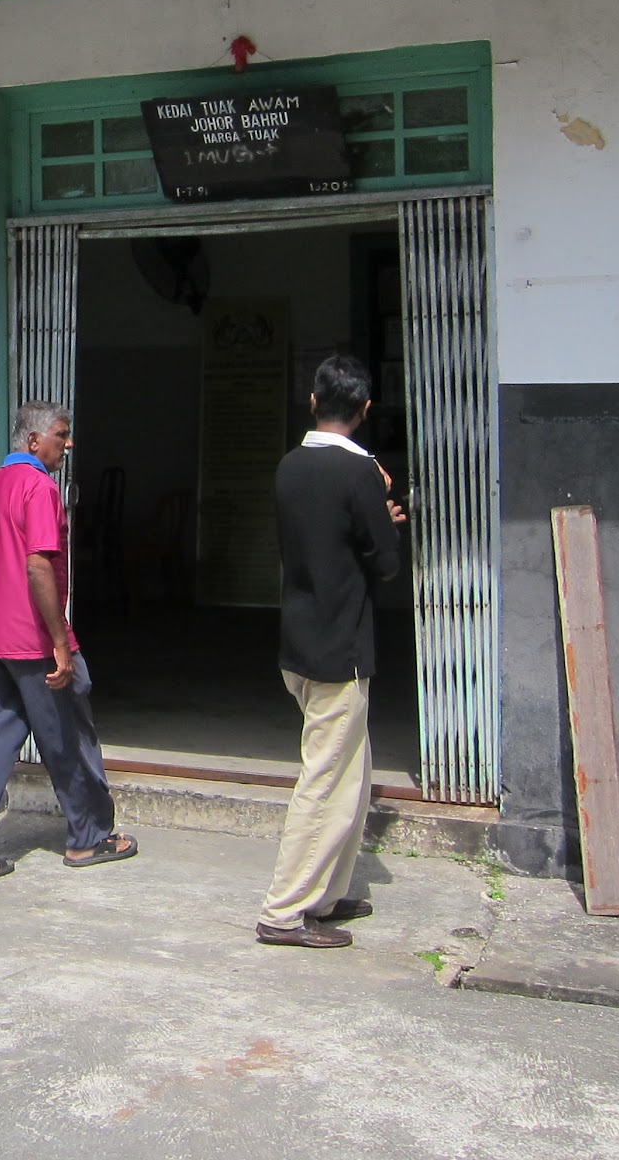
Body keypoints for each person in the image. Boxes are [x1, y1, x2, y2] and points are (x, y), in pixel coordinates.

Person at [0, 401, 136, 888]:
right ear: (33, 441)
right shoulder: (39, 487)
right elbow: (37, 566)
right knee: (68, 738)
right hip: (32, 642)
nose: (67, 444)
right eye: (60, 435)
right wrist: (60, 644)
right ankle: (89, 837)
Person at [256, 354, 405, 948]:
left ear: (314, 401)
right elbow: (386, 563)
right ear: (366, 410)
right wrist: (387, 520)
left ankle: (326, 892)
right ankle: (284, 910)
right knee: (324, 780)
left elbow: (322, 542)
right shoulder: (360, 473)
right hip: (340, 648)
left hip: (298, 642)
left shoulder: (290, 466)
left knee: (352, 775)